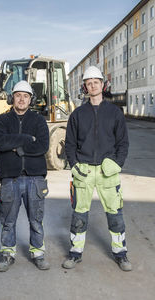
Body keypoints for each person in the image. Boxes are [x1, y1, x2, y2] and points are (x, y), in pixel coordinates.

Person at [62, 66, 132, 271]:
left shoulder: (114, 112)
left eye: (96, 82)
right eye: (89, 83)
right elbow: (69, 144)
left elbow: (123, 143)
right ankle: (75, 253)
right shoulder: (77, 114)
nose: (92, 86)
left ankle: (121, 253)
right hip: (84, 172)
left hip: (107, 172)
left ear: (102, 84)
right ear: (85, 87)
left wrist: (117, 164)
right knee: (79, 215)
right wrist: (75, 166)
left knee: (115, 214)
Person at [0, 80, 50, 272]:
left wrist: (16, 148)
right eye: (18, 95)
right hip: (10, 178)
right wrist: (27, 139)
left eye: (25, 96)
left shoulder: (39, 120)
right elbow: (1, 143)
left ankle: (38, 253)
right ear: (12, 98)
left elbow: (42, 145)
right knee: (8, 221)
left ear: (30, 99)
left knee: (36, 219)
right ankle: (7, 253)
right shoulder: (1, 121)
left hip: (35, 178)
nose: (22, 99)